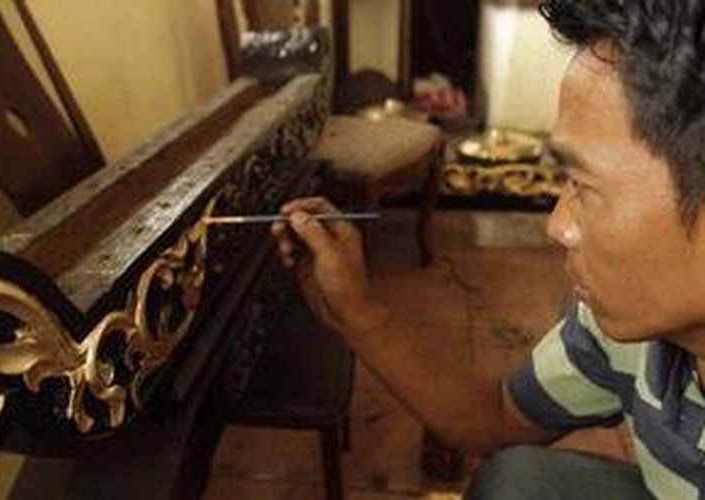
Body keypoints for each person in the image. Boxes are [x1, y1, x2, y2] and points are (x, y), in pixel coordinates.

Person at [271, 1, 705, 498]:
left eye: (584, 186)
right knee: (518, 481)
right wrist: (355, 310)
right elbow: (499, 416)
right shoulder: (627, 331)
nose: (557, 227)